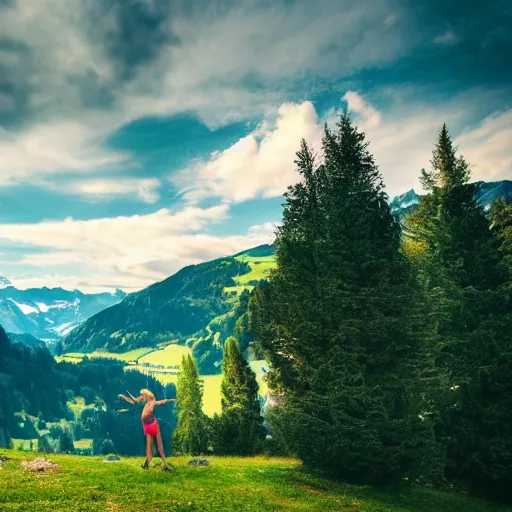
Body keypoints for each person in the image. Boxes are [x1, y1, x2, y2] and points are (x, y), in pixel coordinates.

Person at [118, 388, 175, 471]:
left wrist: (171, 400)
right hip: (147, 426)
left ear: (147, 396)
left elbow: (162, 401)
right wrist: (125, 395)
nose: (142, 397)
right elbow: (134, 400)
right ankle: (146, 464)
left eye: (143, 395)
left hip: (152, 424)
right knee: (149, 447)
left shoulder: (152, 402)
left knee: (159, 446)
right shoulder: (145, 402)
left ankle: (165, 465)